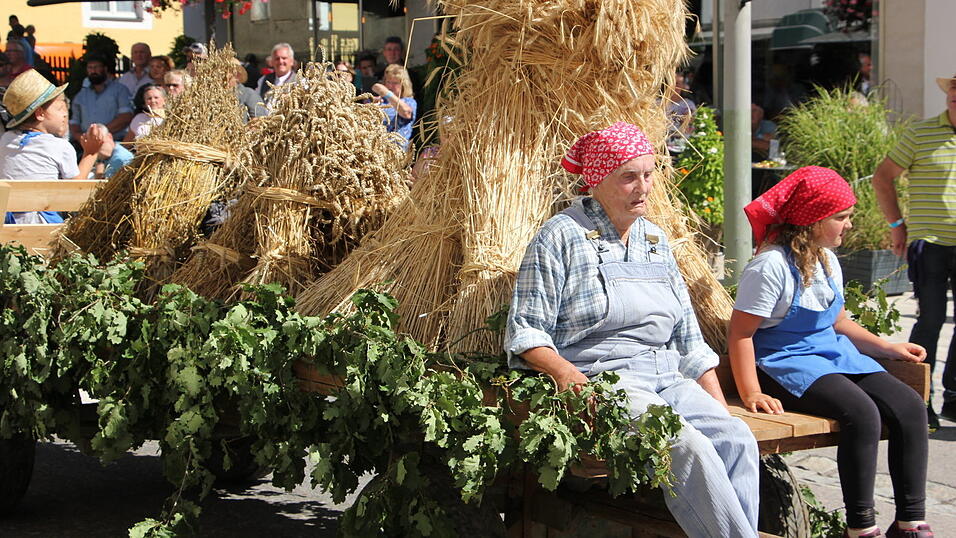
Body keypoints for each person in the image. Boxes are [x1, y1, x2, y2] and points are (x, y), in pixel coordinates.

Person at [506, 122, 759, 538]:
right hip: (609, 381)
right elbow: (526, 331)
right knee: (684, 446)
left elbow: (688, 338)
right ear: (597, 181)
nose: (643, 187)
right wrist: (567, 374)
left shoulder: (655, 239)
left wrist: (718, 406)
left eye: (648, 173)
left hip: (666, 375)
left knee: (736, 439)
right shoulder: (560, 237)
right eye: (628, 177)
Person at [729, 166, 931, 538]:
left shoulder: (826, 260)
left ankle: (910, 523)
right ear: (811, 220)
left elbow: (838, 321)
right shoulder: (770, 266)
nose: (849, 225)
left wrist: (886, 346)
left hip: (832, 354)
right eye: (841, 217)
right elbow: (740, 334)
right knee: (862, 414)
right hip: (785, 361)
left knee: (911, 407)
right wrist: (751, 392)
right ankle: (861, 527)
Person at [872, 72, 956, 430]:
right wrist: (896, 225)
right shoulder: (921, 133)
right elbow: (882, 176)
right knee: (931, 319)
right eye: (954, 91)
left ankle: (953, 396)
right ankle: (919, 400)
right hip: (930, 241)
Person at [0, 69, 104, 224]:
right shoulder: (59, 146)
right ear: (40, 113)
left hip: (7, 223)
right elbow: (75, 190)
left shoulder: (6, 139)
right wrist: (91, 153)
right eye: (60, 108)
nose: (64, 114)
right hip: (42, 225)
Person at [70, 55, 133, 142]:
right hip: (86, 144)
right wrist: (81, 137)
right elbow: (74, 122)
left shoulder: (120, 90)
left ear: (105, 69)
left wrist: (99, 134)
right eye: (90, 68)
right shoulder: (81, 96)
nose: (93, 71)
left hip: (115, 143)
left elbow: (126, 116)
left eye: (96, 67)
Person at [372, 64, 416, 150]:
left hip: (395, 153)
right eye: (388, 82)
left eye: (395, 83)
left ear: (403, 85)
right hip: (376, 151)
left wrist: (387, 93)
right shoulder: (379, 101)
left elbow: (406, 113)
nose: (390, 86)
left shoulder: (408, 102)